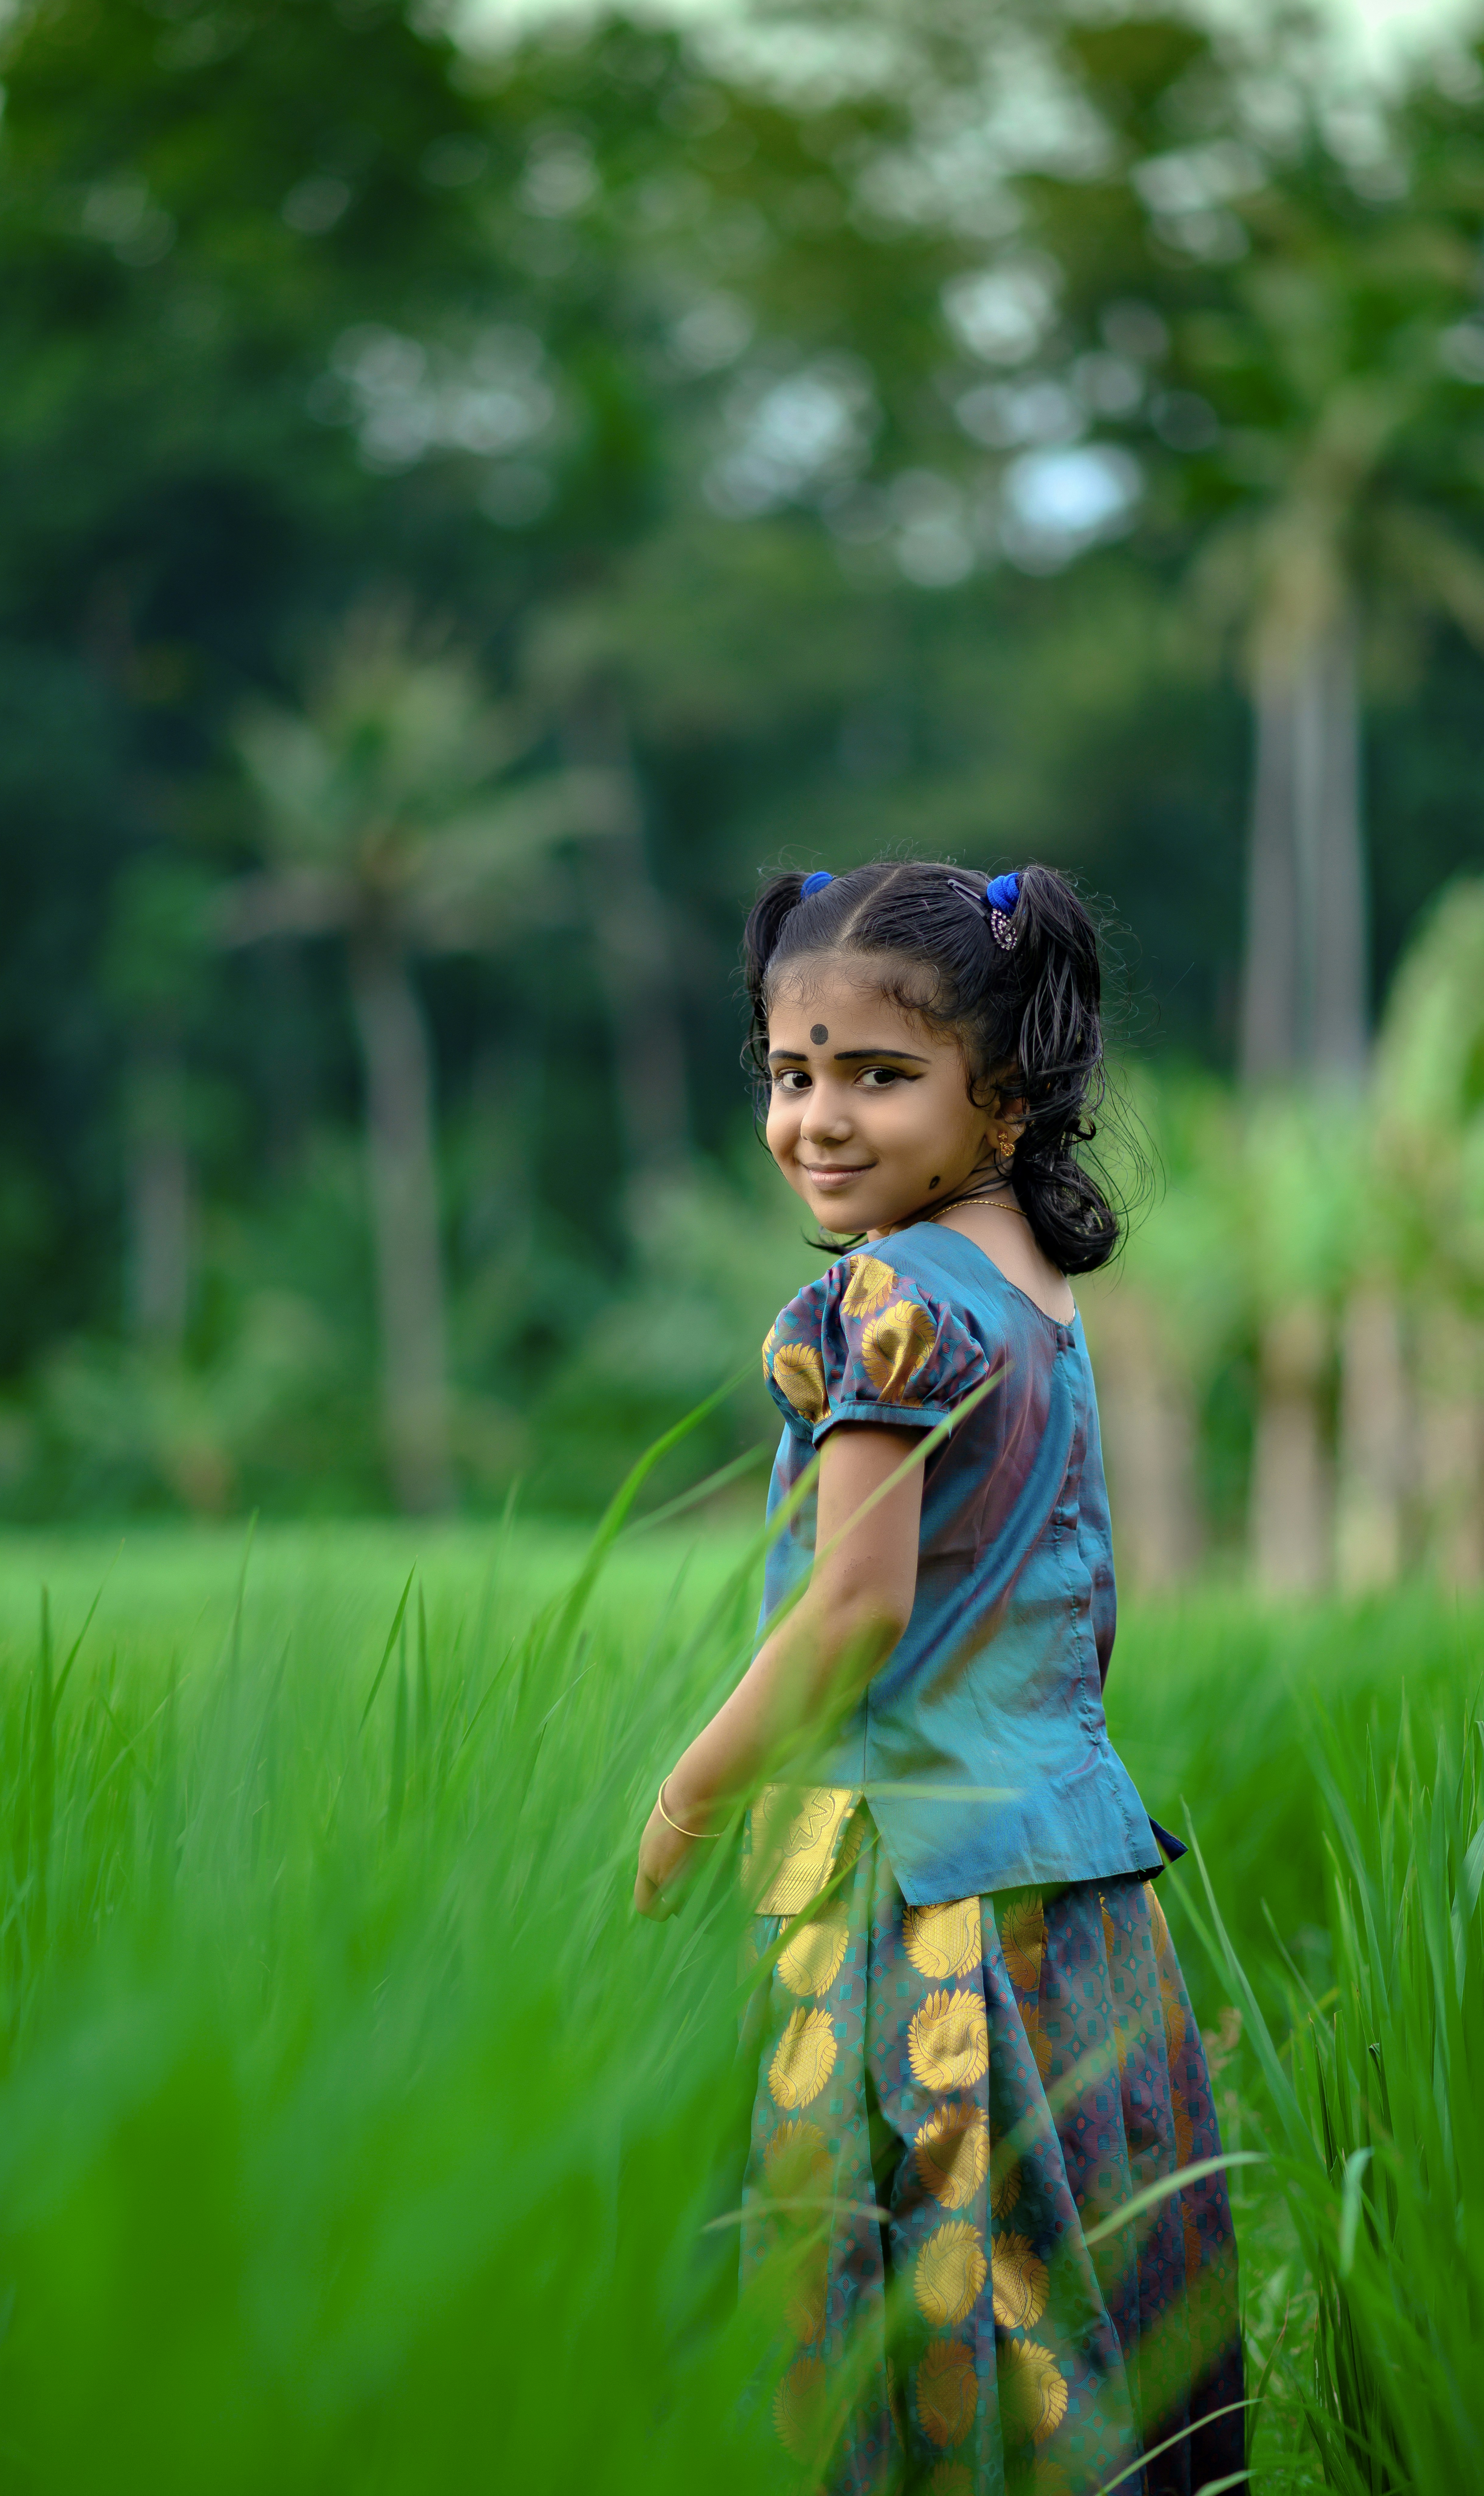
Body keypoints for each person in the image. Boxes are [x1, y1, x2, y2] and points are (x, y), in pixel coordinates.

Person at [632, 861, 1243, 2495]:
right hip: (1073, 1863)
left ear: (1007, 1099)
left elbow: (853, 1614)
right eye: (791, 1074)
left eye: (878, 1076)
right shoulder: (1034, 1287)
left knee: (929, 2273)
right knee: (1081, 2260)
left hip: (916, 1896)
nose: (817, 1120)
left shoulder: (889, 1298)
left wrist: (691, 1794)